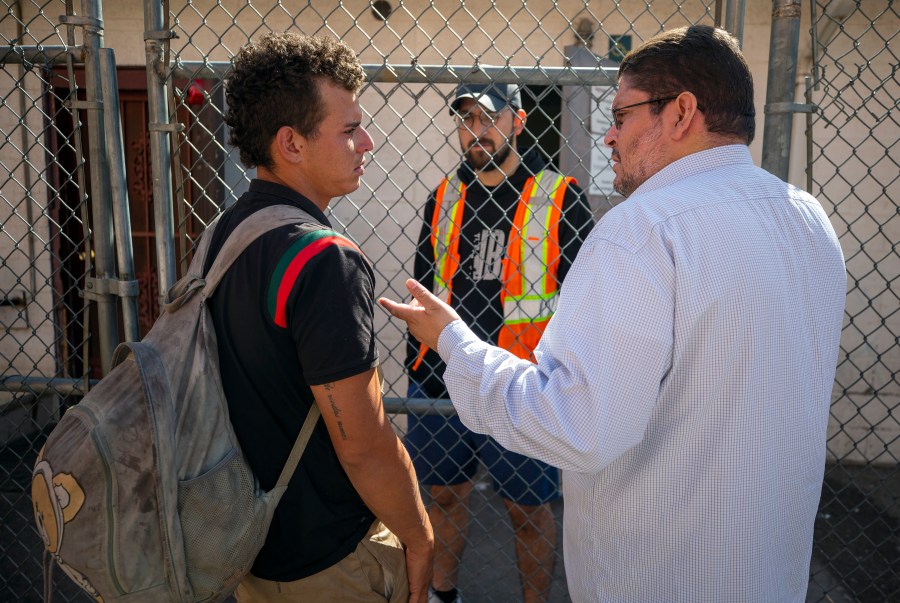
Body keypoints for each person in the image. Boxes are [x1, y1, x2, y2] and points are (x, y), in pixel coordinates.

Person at [381, 25, 846, 603]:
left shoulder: (643, 229)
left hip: (657, 574)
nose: (608, 137)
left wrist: (454, 343)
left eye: (621, 115)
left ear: (681, 112)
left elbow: (578, 426)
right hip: (765, 567)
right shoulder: (808, 221)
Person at [210, 32, 433, 602]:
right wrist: (420, 537)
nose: (368, 141)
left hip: (243, 547)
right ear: (291, 143)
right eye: (349, 128)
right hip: (328, 562)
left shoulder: (222, 238)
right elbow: (364, 443)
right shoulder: (323, 258)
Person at [404, 82, 593, 603]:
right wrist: (417, 367)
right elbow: (426, 288)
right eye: (465, 119)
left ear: (519, 120)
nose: (475, 130)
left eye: (487, 117)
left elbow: (583, 301)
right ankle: (443, 595)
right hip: (441, 377)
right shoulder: (443, 197)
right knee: (442, 495)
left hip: (521, 378)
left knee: (527, 509)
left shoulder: (559, 195)